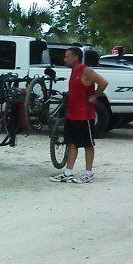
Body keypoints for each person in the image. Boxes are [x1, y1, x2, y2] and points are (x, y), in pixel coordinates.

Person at [50, 46, 108, 184]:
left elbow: (103, 82)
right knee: (72, 143)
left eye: (67, 56)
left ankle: (88, 173)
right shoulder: (73, 71)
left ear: (75, 57)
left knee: (88, 144)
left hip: (84, 115)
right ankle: (68, 172)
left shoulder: (85, 70)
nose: (65, 59)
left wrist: (95, 96)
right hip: (72, 114)